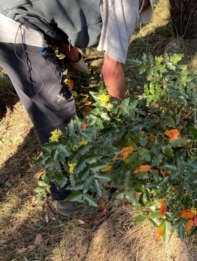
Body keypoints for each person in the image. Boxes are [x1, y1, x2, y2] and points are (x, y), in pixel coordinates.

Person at [0, 0, 155, 219]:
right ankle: (69, 200)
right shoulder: (128, 5)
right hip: (12, 25)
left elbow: (58, 15)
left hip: (22, 16)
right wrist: (121, 118)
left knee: (55, 104)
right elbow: (111, 71)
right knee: (54, 110)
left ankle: (80, 178)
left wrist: (75, 59)